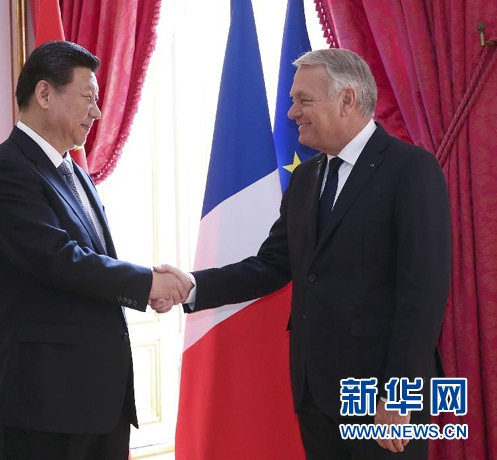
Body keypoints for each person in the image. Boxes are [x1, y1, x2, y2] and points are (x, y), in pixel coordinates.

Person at [154, 49, 451, 459]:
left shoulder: (411, 169)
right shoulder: (307, 176)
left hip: (383, 396)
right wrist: (191, 286)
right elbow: (272, 265)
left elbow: (424, 294)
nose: (292, 112)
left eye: (303, 100)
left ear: (346, 99)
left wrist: (398, 394)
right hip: (315, 392)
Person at [0, 41, 186, 460]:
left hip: (97, 401)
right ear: (45, 93)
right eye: (88, 97)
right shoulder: (5, 170)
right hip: (41, 402)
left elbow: (92, 260)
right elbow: (58, 259)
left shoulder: (74, 172)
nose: (98, 112)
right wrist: (146, 284)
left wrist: (145, 285)